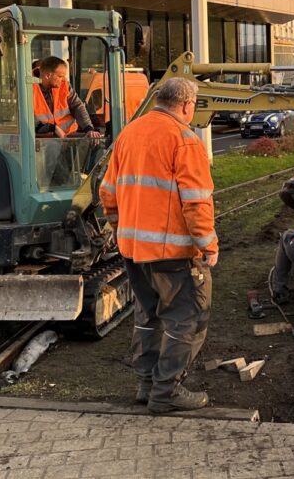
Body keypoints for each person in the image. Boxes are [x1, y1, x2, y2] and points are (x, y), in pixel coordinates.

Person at [99, 77, 216, 413]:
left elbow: (108, 192)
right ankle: (166, 392)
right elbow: (196, 201)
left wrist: (121, 229)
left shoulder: (129, 134)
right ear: (187, 105)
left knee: (147, 315)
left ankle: (147, 384)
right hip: (173, 254)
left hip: (134, 251)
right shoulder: (185, 140)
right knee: (187, 319)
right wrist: (208, 245)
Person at [32, 56, 101, 140]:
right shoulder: (29, 89)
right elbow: (28, 122)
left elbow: (77, 107)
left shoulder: (64, 85)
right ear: (48, 75)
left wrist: (88, 129)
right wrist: (52, 128)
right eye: (60, 76)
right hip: (42, 140)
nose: (63, 79)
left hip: (68, 136)